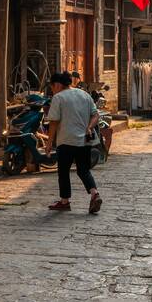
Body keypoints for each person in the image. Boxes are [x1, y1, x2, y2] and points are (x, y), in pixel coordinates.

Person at [42, 72, 102, 213]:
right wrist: (89, 127)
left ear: (57, 84)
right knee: (83, 170)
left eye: (52, 87)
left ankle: (65, 201)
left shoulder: (58, 97)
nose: (52, 90)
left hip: (67, 140)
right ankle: (95, 194)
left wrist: (49, 142)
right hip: (84, 140)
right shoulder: (84, 95)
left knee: (63, 171)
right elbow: (96, 115)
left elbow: (54, 122)